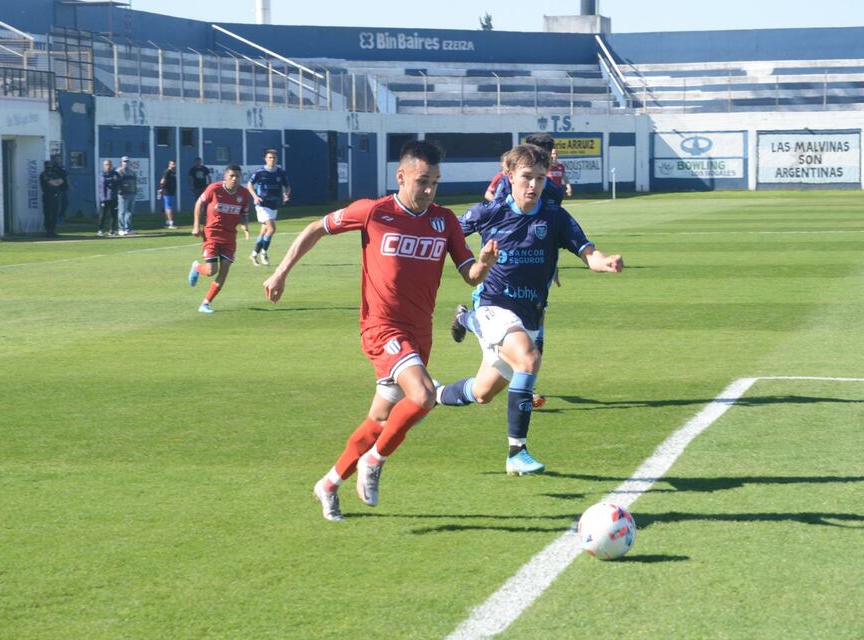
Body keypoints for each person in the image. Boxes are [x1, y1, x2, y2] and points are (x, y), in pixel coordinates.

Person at [263, 140, 498, 521]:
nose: (428, 191)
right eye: (422, 181)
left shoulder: (445, 221)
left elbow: (469, 275)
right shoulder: (375, 212)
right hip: (381, 328)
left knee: (380, 421)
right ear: (400, 176)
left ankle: (330, 482)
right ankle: (373, 463)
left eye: (435, 183)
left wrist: (484, 263)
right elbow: (315, 228)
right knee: (422, 396)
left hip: (420, 334)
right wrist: (280, 272)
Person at [436, 143, 623, 476]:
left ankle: (432, 393)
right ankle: (516, 452)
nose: (534, 185)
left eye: (540, 177)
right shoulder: (488, 213)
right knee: (528, 359)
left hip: (531, 315)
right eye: (526, 177)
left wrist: (604, 262)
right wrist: (473, 262)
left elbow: (588, 252)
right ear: (509, 177)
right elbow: (444, 237)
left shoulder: (555, 217)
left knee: (482, 393)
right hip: (494, 305)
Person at [187, 165, 252, 313]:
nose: (235, 179)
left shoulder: (243, 193)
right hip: (212, 234)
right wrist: (196, 225)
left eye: (237, 176)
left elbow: (245, 213)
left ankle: (205, 303)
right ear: (225, 177)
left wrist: (245, 227)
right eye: (231, 176)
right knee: (211, 271)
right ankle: (197, 267)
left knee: (225, 269)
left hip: (229, 237)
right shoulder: (214, 189)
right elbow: (199, 203)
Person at [246, 148, 290, 266]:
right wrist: (255, 196)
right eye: (270, 157)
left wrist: (286, 194)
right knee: (271, 229)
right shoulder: (260, 172)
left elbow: (287, 186)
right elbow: (249, 184)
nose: (272, 160)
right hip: (262, 205)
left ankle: (254, 254)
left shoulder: (281, 172)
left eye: (274, 157)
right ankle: (264, 253)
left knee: (264, 231)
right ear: (265, 159)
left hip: (273, 205)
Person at [38, 161, 62, 237]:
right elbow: (50, 182)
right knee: (48, 213)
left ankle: (53, 230)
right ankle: (48, 230)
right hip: (48, 196)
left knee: (55, 213)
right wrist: (55, 182)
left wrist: (55, 182)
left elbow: (61, 181)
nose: (49, 167)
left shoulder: (54, 174)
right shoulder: (43, 174)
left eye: (50, 165)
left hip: (56, 195)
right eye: (48, 166)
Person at [116, 156, 137, 236]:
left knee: (129, 212)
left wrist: (135, 191)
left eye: (127, 161)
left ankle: (128, 229)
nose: (126, 163)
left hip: (131, 194)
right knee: (122, 212)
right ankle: (121, 229)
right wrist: (119, 191)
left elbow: (135, 183)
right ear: (121, 162)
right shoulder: (119, 172)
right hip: (123, 195)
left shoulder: (132, 172)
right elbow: (116, 183)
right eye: (124, 161)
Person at [98, 159, 120, 237]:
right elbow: (104, 182)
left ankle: (112, 230)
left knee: (113, 215)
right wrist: (112, 179)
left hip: (113, 197)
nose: (108, 166)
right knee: (103, 215)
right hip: (104, 198)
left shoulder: (115, 173)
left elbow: (119, 181)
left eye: (109, 165)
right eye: (106, 165)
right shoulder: (102, 174)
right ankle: (100, 230)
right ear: (104, 166)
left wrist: (115, 180)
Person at [158, 159, 178, 229]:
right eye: (172, 164)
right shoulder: (167, 172)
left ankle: (167, 223)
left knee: (167, 207)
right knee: (168, 207)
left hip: (171, 192)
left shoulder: (173, 172)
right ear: (169, 164)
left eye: (174, 164)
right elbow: (162, 181)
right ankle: (171, 223)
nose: (174, 165)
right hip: (167, 192)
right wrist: (161, 189)